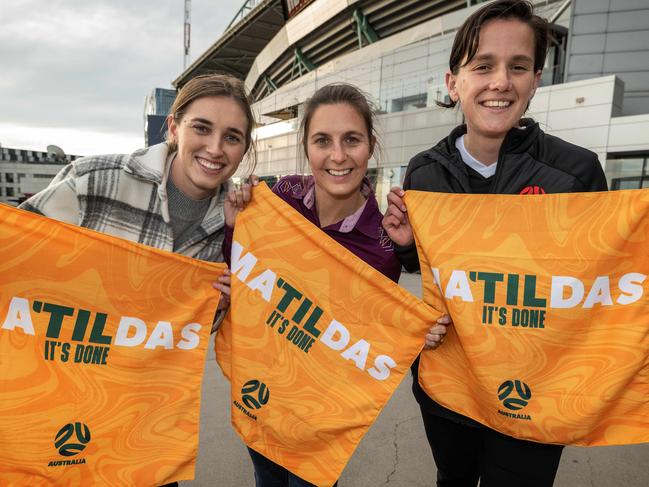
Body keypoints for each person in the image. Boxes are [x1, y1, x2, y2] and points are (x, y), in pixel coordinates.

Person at [382, 1, 608, 486]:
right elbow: (430, 274)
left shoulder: (577, 172)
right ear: (453, 82)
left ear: (535, 80)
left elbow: (600, 292)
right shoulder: (425, 170)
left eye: (517, 66)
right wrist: (405, 249)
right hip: (447, 387)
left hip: (535, 394)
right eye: (482, 66)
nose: (500, 81)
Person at [19, 73, 258, 487]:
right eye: (202, 127)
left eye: (232, 137)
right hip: (59, 409)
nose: (215, 149)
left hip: (145, 430)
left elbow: (186, 331)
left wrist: (217, 307)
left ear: (243, 149)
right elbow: (18, 252)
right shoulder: (98, 181)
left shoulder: (237, 225)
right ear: (173, 127)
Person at [229, 83, 450, 487]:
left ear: (370, 146)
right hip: (261, 388)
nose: (337, 155)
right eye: (322, 141)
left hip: (319, 409)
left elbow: (369, 329)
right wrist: (235, 218)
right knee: (265, 476)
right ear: (307, 147)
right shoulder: (281, 199)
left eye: (351, 140)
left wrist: (416, 332)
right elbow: (240, 270)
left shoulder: (383, 244)